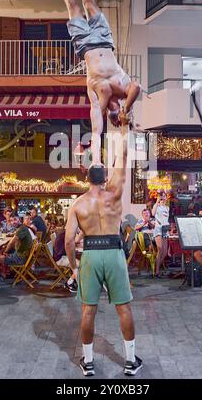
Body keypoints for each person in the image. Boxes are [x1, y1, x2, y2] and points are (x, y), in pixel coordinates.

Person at [52, 0, 141, 164]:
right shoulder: (123, 90)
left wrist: (96, 160)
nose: (116, 109)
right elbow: (137, 87)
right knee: (89, 2)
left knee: (72, 6)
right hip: (104, 39)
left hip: (85, 45)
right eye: (118, 110)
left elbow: (95, 130)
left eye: (115, 113)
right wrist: (127, 110)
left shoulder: (98, 98)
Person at [65, 117, 142, 377]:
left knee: (88, 310)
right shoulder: (114, 194)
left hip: (90, 255)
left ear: (87, 177)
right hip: (113, 251)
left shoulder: (78, 204)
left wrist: (74, 268)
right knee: (124, 308)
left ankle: (88, 363)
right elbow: (122, 158)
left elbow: (68, 241)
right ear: (105, 177)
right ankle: (130, 361)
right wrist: (123, 128)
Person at [0, 214, 36, 280]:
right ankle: (2, 274)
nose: (13, 222)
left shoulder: (21, 229)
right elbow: (14, 240)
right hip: (24, 256)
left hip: (20, 258)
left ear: (20, 220)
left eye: (15, 220)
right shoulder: (22, 228)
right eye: (11, 220)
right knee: (1, 253)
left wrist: (4, 252)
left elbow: (11, 243)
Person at [151, 192, 170, 277]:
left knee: (165, 252)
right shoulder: (157, 206)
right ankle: (157, 271)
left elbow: (166, 219)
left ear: (166, 198)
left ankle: (156, 265)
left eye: (164, 198)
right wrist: (157, 202)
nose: (163, 200)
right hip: (158, 229)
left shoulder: (167, 208)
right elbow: (153, 213)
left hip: (165, 229)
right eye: (161, 198)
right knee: (160, 249)